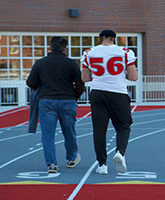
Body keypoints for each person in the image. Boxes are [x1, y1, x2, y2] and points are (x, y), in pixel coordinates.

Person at [81, 29, 138, 175]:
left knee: (99, 130)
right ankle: (120, 152)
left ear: (100, 39)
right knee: (124, 125)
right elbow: (133, 77)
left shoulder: (89, 53)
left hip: (98, 92)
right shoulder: (125, 52)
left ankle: (102, 164)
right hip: (118, 92)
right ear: (114, 39)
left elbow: (85, 78)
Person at [26, 37, 84, 173]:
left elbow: (30, 83)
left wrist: (41, 84)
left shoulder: (40, 63)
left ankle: (51, 164)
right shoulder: (71, 63)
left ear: (50, 47)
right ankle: (71, 159)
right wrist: (74, 97)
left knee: (47, 134)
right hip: (67, 100)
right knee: (69, 131)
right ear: (65, 48)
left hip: (46, 101)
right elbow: (80, 85)